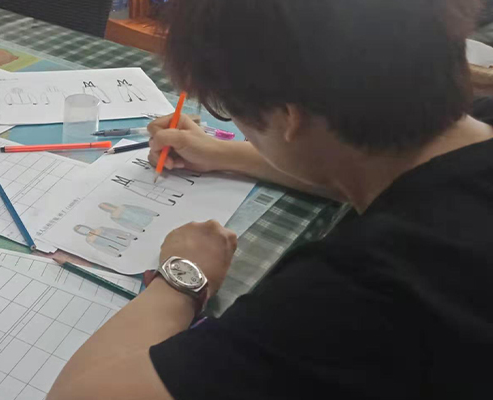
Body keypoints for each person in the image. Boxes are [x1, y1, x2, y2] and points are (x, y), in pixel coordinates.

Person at [48, 0, 492, 398]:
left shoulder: (360, 290)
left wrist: (183, 279)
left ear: (287, 117)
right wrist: (220, 153)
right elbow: (356, 162)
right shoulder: (464, 133)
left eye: (227, 109)